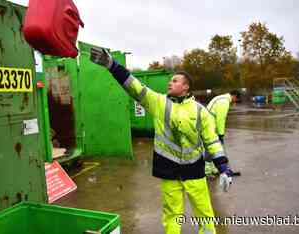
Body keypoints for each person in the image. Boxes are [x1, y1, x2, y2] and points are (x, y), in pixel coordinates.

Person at [90, 47, 234, 234]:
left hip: (194, 170)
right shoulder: (158, 103)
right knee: (172, 215)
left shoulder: (200, 111)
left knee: (204, 213)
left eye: (175, 81)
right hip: (169, 171)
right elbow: (135, 87)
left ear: (186, 87)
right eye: (170, 80)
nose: (170, 83)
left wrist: (223, 166)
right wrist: (112, 65)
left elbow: (212, 141)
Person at [205, 91, 240, 177]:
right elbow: (221, 119)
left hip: (209, 124)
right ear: (234, 96)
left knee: (213, 148)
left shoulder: (221, 98)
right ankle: (207, 170)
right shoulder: (224, 102)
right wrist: (221, 134)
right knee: (210, 147)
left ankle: (213, 169)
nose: (234, 101)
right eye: (236, 99)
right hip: (209, 125)